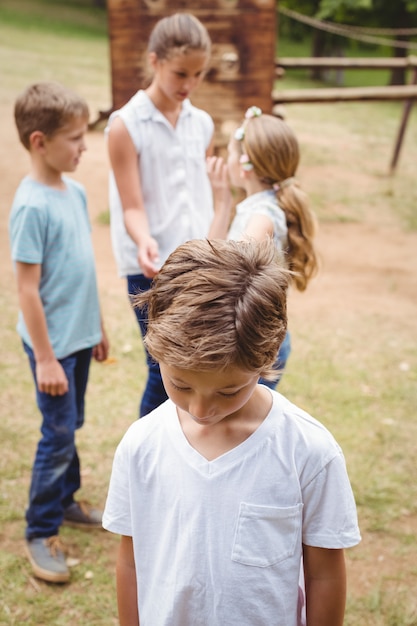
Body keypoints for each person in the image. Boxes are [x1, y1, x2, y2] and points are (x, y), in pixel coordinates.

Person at [103, 238, 361, 626]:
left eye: (229, 391)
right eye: (181, 384)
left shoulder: (309, 451)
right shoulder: (141, 446)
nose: (201, 409)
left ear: (269, 356)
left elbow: (324, 572)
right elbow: (131, 560)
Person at [9, 81, 109, 584]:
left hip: (78, 335)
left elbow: (83, 267)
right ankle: (40, 528)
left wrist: (98, 327)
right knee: (58, 431)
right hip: (51, 346)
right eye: (74, 138)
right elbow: (28, 290)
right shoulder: (31, 207)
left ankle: (66, 502)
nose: (84, 147)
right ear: (38, 141)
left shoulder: (77, 192)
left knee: (72, 423)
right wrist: (46, 359)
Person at [107, 12, 217, 417]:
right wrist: (144, 240)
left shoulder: (201, 124)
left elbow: (201, 192)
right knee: (163, 369)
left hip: (201, 263)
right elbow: (132, 205)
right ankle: (145, 460)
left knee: (201, 365)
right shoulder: (125, 126)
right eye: (180, 74)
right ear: (154, 61)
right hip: (151, 266)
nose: (189, 85)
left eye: (199, 74)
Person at [207, 106, 318, 387]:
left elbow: (226, 270)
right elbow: (213, 254)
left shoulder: (262, 218)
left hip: (255, 346)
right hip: (255, 338)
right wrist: (222, 201)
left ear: (245, 165)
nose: (226, 159)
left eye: (231, 153)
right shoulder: (258, 207)